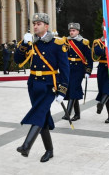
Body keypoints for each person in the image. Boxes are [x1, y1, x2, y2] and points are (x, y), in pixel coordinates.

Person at [14, 13, 69, 163]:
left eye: (38, 23)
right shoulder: (30, 42)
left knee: (39, 113)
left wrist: (62, 90)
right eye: (34, 23)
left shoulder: (57, 43)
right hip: (33, 84)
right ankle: (49, 150)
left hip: (49, 84)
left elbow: (65, 69)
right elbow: (17, 60)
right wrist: (24, 45)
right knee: (42, 116)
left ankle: (26, 146)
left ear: (46, 26)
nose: (35, 26)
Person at [62, 22, 92, 122]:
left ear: (78, 32)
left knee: (74, 89)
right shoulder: (66, 41)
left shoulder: (83, 42)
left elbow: (89, 58)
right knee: (71, 90)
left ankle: (68, 113)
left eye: (73, 30)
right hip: (69, 69)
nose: (71, 32)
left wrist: (88, 71)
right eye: (70, 31)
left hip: (79, 69)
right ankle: (77, 114)